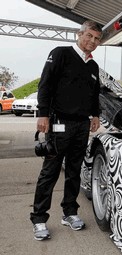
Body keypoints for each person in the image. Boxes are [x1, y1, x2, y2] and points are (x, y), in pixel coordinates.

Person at [30, 20, 102, 240]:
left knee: (74, 171)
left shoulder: (93, 66)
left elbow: (94, 93)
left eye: (97, 38)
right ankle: (40, 218)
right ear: (79, 34)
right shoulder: (60, 54)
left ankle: (69, 212)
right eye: (89, 35)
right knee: (50, 171)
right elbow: (45, 84)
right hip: (58, 123)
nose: (92, 41)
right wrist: (43, 114)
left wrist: (96, 114)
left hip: (81, 125)